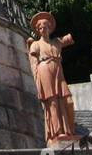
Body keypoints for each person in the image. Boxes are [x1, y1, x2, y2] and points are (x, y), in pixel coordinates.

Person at [28, 11, 78, 146]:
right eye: (41, 27)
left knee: (68, 101)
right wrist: (37, 81)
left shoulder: (56, 42)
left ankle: (70, 131)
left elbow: (69, 39)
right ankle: (57, 132)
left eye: (46, 27)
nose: (44, 29)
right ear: (38, 30)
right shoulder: (35, 45)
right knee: (53, 103)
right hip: (44, 70)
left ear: (50, 28)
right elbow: (33, 64)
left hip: (58, 70)